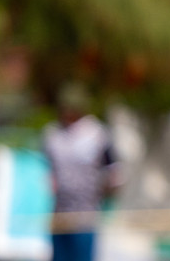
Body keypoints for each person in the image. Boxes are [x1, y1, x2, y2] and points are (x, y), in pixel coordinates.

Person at [41, 84, 117, 261]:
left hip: (85, 215)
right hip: (59, 213)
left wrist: (105, 198)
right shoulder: (52, 134)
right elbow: (46, 170)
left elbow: (114, 172)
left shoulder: (97, 133)